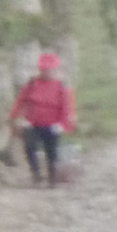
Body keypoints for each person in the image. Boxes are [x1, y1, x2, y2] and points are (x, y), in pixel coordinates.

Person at [7, 53, 76, 187]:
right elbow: (20, 101)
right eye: (44, 69)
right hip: (32, 123)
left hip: (52, 124)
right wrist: (13, 117)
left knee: (51, 152)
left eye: (49, 69)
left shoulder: (61, 86)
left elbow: (66, 108)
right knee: (29, 146)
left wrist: (62, 124)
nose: (46, 72)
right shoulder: (32, 84)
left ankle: (52, 177)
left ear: (55, 69)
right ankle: (36, 175)